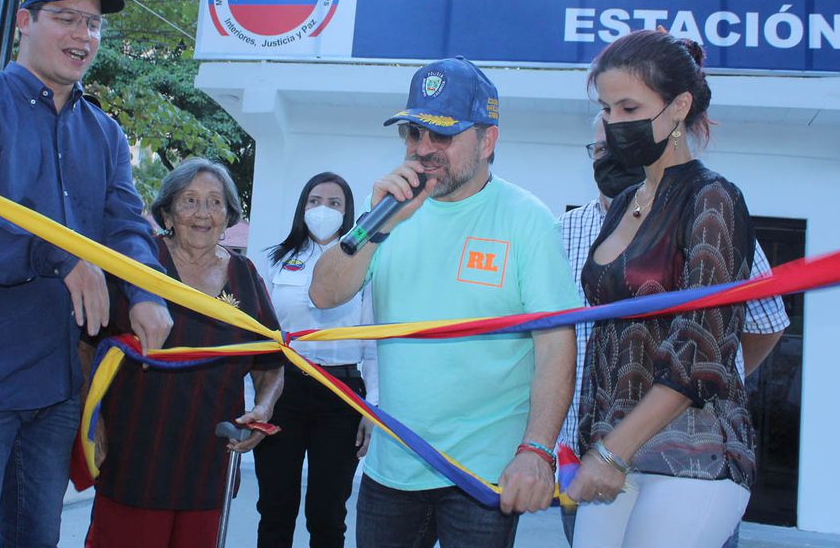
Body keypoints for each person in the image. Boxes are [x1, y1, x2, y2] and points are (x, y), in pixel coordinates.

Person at [0, 0, 173, 547]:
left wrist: (145, 290)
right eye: (67, 18)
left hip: (56, 382)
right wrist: (58, 257)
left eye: (94, 24)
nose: (84, 36)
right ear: (24, 22)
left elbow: (124, 225)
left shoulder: (105, 134)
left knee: (37, 539)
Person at [310, 56, 579, 548]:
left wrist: (536, 451)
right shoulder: (388, 215)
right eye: (414, 133)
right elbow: (324, 295)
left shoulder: (527, 220)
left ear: (487, 140)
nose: (423, 149)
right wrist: (376, 224)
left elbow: (556, 344)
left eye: (442, 135)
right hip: (391, 469)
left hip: (482, 476)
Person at [564, 29, 759, 547]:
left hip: (689, 454)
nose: (614, 123)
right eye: (606, 109)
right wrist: (598, 448)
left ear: (679, 107)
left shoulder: (713, 198)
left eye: (629, 107)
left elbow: (704, 351)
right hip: (611, 449)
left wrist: (610, 453)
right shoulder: (626, 200)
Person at [84, 158, 284, 547]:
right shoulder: (139, 265)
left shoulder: (244, 275)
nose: (203, 213)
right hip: (134, 454)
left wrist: (263, 408)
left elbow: (271, 362)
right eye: (190, 200)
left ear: (228, 217)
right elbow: (86, 343)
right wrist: (94, 423)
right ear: (168, 211)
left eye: (215, 202)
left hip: (210, 459)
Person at [254, 171, 378, 548]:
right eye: (315, 201)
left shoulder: (365, 265)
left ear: (348, 213)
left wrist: (370, 407)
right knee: (275, 508)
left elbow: (373, 342)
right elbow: (259, 336)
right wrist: (256, 401)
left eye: (334, 203)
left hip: (340, 394)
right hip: (282, 391)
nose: (323, 210)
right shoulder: (275, 261)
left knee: (326, 514)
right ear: (302, 208)